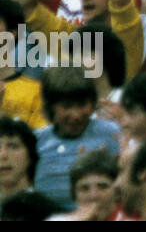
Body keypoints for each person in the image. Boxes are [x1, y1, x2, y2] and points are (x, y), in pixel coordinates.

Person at [34, 66, 121, 211]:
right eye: (67, 106)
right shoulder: (36, 142)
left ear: (93, 103)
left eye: (82, 105)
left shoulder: (110, 134)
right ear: (50, 108)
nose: (76, 115)